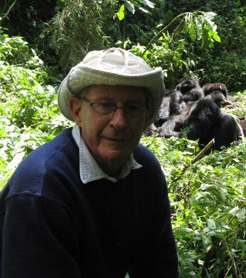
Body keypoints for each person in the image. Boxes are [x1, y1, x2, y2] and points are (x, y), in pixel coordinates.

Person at [0, 48, 179, 277]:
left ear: (147, 116)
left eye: (133, 108)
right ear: (77, 111)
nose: (119, 122)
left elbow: (158, 264)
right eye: (105, 105)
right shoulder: (40, 189)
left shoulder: (145, 170)